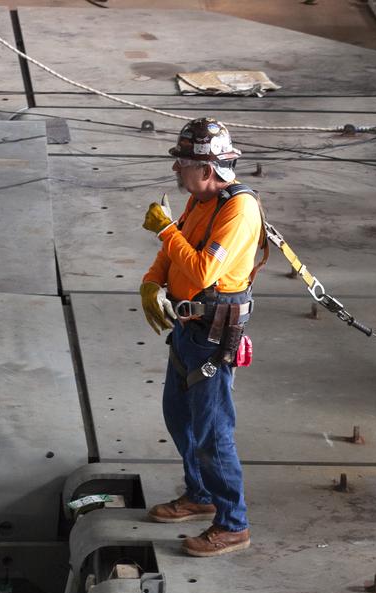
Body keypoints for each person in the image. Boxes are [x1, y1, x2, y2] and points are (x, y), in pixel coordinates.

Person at [139, 118, 265, 558]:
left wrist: (166, 230)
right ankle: (200, 493)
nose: (176, 169)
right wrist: (152, 281)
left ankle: (233, 524)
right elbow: (172, 259)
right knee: (178, 416)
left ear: (207, 168)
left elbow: (199, 271)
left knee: (213, 433)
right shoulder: (199, 199)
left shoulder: (238, 210)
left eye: (183, 163)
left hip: (214, 335)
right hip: (188, 330)